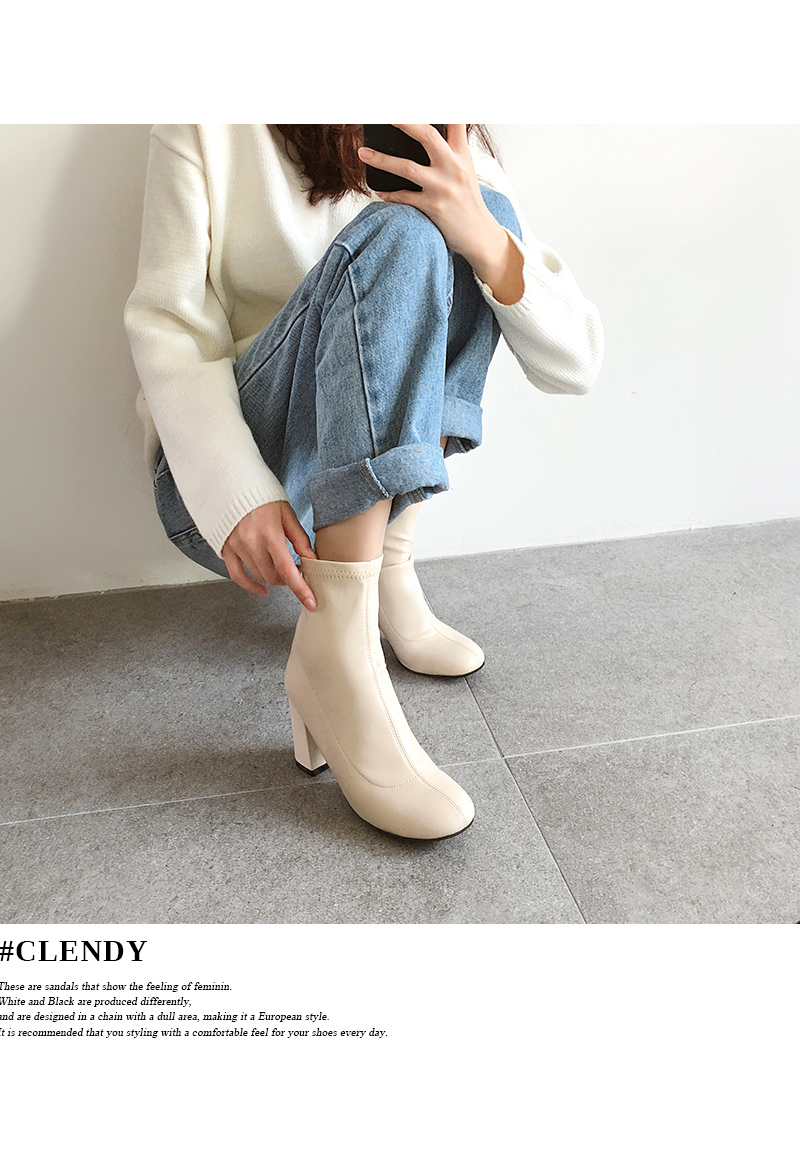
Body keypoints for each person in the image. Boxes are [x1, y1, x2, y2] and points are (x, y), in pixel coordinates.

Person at [124, 123, 604, 842]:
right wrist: (236, 492)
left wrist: (486, 240)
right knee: (404, 237)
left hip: (333, 506)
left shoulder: (436, 122)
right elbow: (168, 326)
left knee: (483, 220)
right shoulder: (207, 118)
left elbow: (576, 363)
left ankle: (382, 574)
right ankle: (337, 652)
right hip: (238, 496)